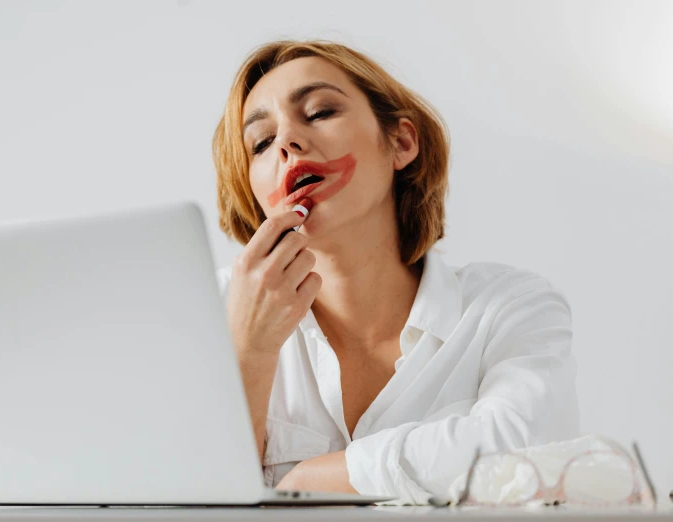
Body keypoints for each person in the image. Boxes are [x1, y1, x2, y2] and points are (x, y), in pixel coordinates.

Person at [211, 39, 579, 503]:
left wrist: (312, 480)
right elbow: (171, 496)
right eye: (261, 143)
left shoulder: (508, 307)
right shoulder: (207, 313)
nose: (286, 141)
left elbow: (534, 453)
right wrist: (249, 352)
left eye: (320, 111)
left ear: (401, 142)